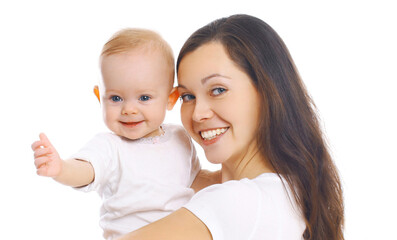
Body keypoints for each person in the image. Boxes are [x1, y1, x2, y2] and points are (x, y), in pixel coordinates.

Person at [117, 14, 344, 240]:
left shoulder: (237, 202)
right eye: (187, 96)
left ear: (267, 92)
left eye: (218, 90)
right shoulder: (291, 190)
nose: (198, 113)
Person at [31, 29, 220, 240]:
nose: (129, 109)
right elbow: (86, 170)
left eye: (144, 97)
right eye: (116, 98)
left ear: (170, 98)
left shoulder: (179, 138)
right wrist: (61, 168)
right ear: (100, 97)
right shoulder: (109, 146)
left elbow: (193, 181)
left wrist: (226, 176)